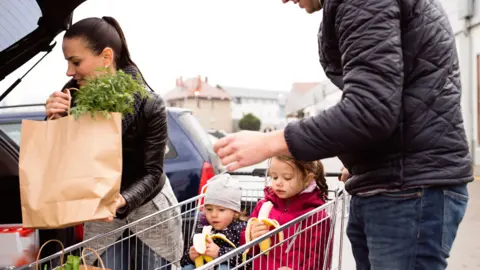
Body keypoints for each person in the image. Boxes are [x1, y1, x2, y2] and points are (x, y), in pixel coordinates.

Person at [214, 0, 472, 269]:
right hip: (392, 181)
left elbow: (369, 110)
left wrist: (269, 143)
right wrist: (362, 159)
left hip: (406, 187)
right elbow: (384, 98)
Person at [44, 16, 183, 269]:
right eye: (67, 63)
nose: (68, 72)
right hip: (100, 217)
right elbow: (59, 166)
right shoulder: (69, 102)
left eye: (75, 62)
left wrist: (121, 200)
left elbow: (153, 172)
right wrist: (53, 123)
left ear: (106, 57)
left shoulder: (150, 103)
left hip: (150, 212)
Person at [240, 156, 332, 269]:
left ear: (307, 179)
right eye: (274, 177)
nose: (278, 183)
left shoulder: (316, 216)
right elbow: (247, 248)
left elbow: (319, 258)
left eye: (287, 178)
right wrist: (251, 236)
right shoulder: (263, 206)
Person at [180, 174, 247, 270]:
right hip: (203, 265)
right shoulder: (202, 227)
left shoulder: (240, 229)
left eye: (221, 210)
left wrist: (219, 253)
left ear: (235, 212)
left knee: (223, 268)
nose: (214, 215)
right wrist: (190, 256)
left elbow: (247, 259)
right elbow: (183, 261)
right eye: (209, 209)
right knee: (188, 268)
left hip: (228, 266)